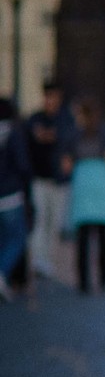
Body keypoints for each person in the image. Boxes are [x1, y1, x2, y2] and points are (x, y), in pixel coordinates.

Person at [64, 96, 105, 294]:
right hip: (101, 184)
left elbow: (66, 165)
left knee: (83, 237)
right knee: (103, 235)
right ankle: (104, 278)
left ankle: (84, 281)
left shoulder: (74, 134)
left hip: (83, 183)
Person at [26, 81, 74, 279]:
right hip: (39, 178)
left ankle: (47, 259)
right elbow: (35, 137)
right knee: (40, 219)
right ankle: (38, 259)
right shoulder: (36, 118)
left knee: (54, 222)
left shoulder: (65, 120)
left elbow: (67, 141)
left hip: (58, 180)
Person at [0, 98, 32, 302]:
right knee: (17, 237)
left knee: (4, 237)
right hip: (10, 193)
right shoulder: (13, 133)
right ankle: (2, 271)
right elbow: (23, 165)